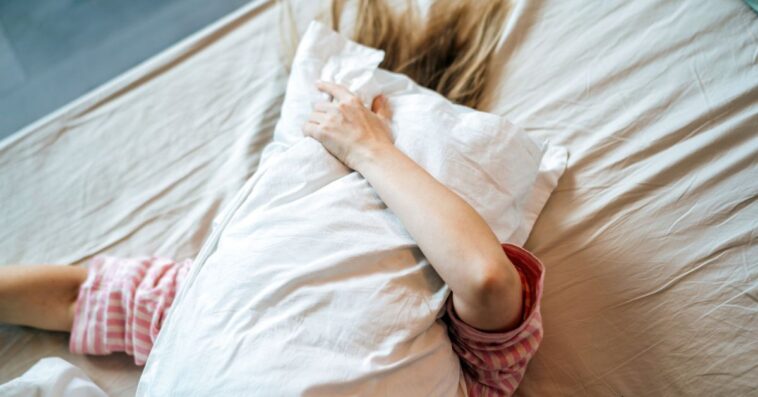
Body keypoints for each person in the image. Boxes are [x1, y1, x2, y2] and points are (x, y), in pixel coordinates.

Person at [0, 1, 545, 395]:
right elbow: (78, 299)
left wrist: (369, 151)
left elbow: (485, 276)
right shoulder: (210, 286)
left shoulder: (467, 357)